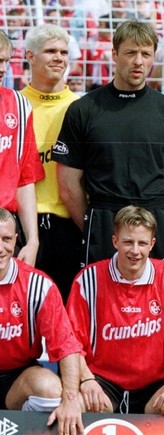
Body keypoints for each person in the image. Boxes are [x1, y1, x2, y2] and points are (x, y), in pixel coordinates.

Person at [55, 19, 164, 268]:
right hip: (104, 219)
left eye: (146, 54)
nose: (138, 61)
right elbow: (68, 185)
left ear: (153, 57)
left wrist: (148, 223)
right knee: (101, 303)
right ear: (114, 54)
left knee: (162, 302)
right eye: (130, 52)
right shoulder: (83, 110)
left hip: (155, 218)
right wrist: (95, 223)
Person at [66, 206, 164, 415]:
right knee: (74, 407)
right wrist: (86, 379)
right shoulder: (88, 280)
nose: (135, 251)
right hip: (102, 384)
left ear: (152, 244)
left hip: (156, 385)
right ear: (115, 241)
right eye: (128, 242)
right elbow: (69, 341)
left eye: (142, 243)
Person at [0, 208, 83, 435]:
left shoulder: (38, 284)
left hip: (17, 379)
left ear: (16, 240)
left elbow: (66, 346)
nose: (0, 248)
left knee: (49, 388)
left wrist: (70, 399)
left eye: (6, 239)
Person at [21, 24, 82, 300]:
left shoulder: (81, 108)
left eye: (63, 52)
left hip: (67, 226)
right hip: (21, 225)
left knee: (67, 318)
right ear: (30, 56)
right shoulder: (14, 105)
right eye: (50, 51)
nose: (59, 57)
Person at [0, 32, 43, 268]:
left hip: (6, 228)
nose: (2, 68)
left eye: (5, 61)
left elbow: (25, 179)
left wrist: (33, 240)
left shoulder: (19, 106)